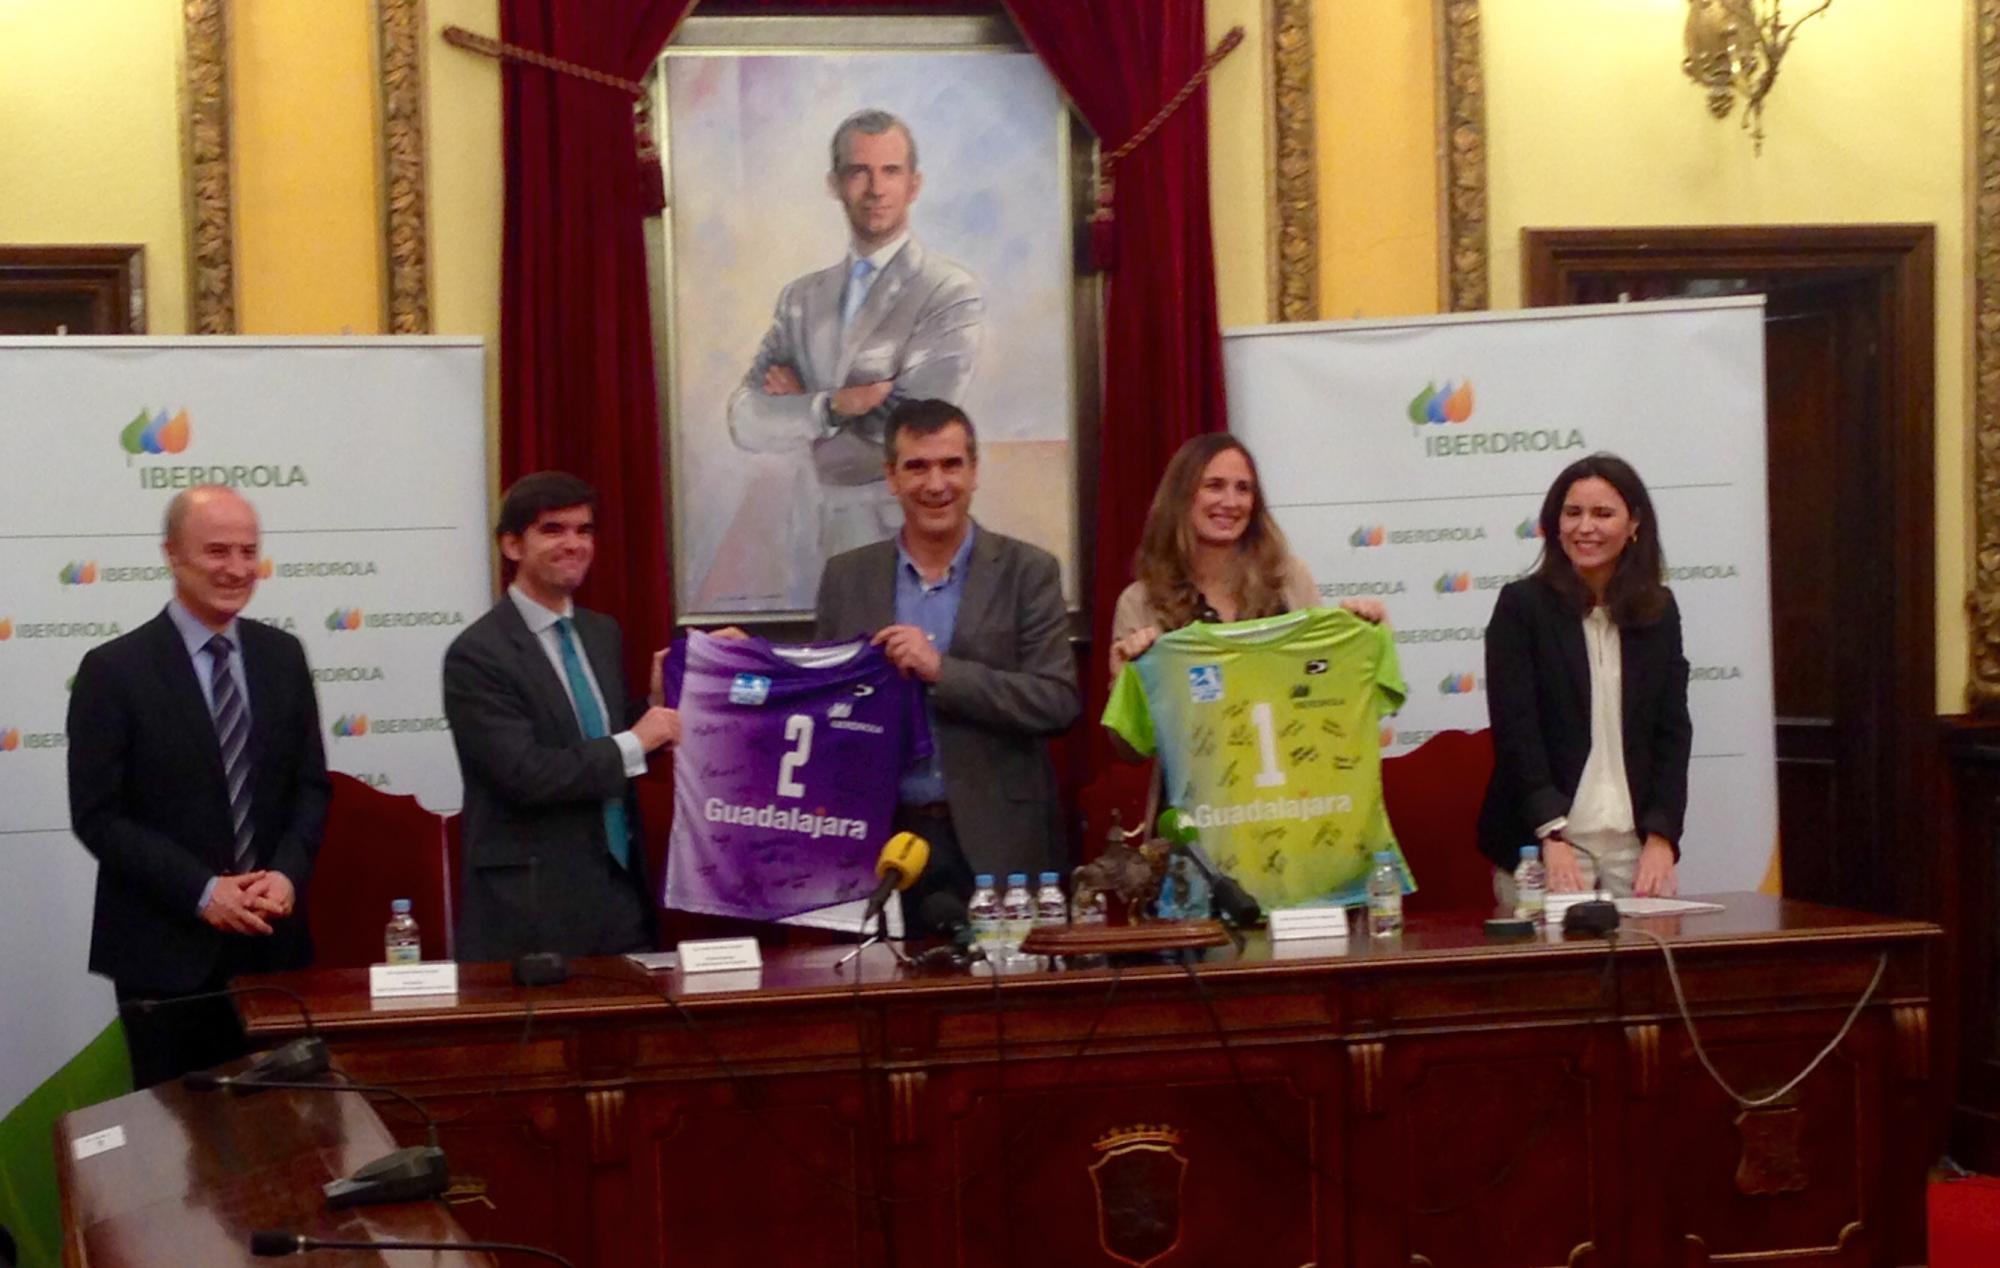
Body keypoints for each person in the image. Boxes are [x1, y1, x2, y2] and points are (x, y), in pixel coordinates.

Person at [67, 486, 329, 1086]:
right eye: (217, 551)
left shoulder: (283, 656)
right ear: (171, 554)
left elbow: (310, 789)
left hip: (274, 952)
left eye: (248, 551)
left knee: (286, 1131)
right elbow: (98, 816)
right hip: (166, 959)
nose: (236, 568)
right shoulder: (114, 670)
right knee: (180, 1138)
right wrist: (203, 891)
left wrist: (287, 875)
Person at [814, 398, 1079, 932]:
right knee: (881, 982)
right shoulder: (846, 578)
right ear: (891, 477)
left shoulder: (1029, 572)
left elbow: (1056, 701)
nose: (936, 484)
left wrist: (941, 671)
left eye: (951, 464)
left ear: (974, 471)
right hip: (882, 840)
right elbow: (823, 704)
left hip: (1001, 843)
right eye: (917, 466)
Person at [728, 108, 984, 567]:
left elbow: (916, 433)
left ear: (914, 184)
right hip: (806, 543)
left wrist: (799, 411)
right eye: (858, 172)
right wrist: (831, 406)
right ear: (834, 184)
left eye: (891, 171)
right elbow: (745, 418)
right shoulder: (801, 298)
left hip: (897, 543)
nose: (875, 188)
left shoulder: (947, 291)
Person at [443, 472, 682, 962]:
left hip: (620, 893)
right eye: (553, 529)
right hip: (531, 910)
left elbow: (598, 737)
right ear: (512, 545)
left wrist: (653, 705)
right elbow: (525, 773)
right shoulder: (477, 653)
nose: (574, 544)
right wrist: (638, 740)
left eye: (584, 530)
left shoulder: (601, 632)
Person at [1478, 453, 1692, 899]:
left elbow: (1673, 731)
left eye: (1603, 514)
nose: (1585, 527)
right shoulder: (1522, 606)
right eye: (1573, 513)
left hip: (1633, 844)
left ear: (1634, 524)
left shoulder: (1659, 610)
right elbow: (1516, 730)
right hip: (1547, 843)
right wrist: (1550, 833)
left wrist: (1662, 836)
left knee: (1651, 947)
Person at [1106, 433, 1386, 682]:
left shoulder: (1288, 578)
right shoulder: (1140, 602)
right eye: (1214, 486)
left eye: (1243, 488)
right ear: (1181, 496)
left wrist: (1369, 635)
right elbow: (1129, 724)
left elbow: (1327, 677)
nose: (1231, 502)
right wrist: (1123, 679)